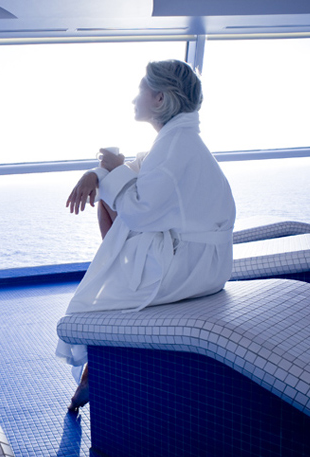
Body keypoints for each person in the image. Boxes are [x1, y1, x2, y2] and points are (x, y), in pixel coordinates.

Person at [56, 59, 236, 413]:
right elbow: (137, 170)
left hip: (192, 267)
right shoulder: (177, 141)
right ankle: (99, 357)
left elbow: (138, 211)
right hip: (207, 262)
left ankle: (97, 369)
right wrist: (97, 173)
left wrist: (110, 171)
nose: (133, 97)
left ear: (160, 99)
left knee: (91, 308)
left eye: (141, 89)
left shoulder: (175, 148)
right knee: (107, 203)